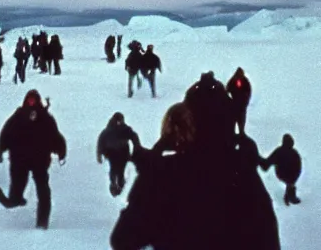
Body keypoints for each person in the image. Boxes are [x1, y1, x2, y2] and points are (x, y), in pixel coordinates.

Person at [110, 101, 280, 249]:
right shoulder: (244, 174)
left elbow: (123, 239)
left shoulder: (162, 176)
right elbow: (269, 240)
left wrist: (151, 166)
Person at [0, 89, 67, 229]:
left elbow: (55, 137)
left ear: (38, 101)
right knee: (14, 198)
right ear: (26, 101)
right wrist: (0, 151)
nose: (31, 104)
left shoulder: (46, 118)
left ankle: (42, 223)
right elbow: (6, 133)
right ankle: (0, 196)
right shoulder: (18, 117)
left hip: (40, 161)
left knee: (44, 193)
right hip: (19, 162)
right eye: (29, 100)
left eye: (34, 100)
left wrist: (61, 151)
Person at [97, 112, 141, 197]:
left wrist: (137, 147)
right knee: (115, 169)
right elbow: (101, 141)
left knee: (119, 169)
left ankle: (119, 184)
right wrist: (99, 154)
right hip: (113, 153)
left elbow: (134, 137)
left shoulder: (123, 129)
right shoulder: (110, 130)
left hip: (120, 152)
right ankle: (115, 184)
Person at [261, 133, 302, 205]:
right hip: (288, 175)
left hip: (285, 174)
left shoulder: (280, 151)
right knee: (290, 181)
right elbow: (267, 164)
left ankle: (290, 193)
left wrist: (260, 161)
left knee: (290, 180)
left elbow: (267, 164)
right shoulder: (292, 152)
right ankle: (290, 194)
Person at [226, 67, 252, 135]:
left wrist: (245, 100)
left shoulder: (245, 81)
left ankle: (241, 132)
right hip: (234, 104)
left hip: (242, 105)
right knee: (233, 119)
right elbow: (227, 90)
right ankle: (233, 132)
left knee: (241, 119)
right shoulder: (233, 81)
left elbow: (248, 92)